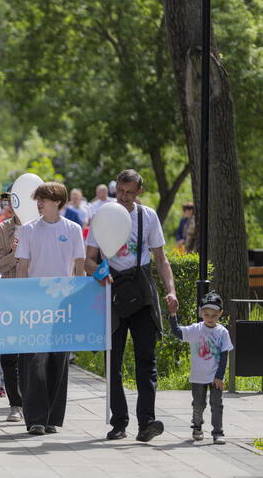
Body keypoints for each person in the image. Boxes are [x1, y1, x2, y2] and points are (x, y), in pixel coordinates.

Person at [85, 169, 179, 443]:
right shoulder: (103, 214)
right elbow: (88, 260)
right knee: (112, 361)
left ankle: (147, 422)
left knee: (146, 361)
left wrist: (170, 291)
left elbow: (161, 259)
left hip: (141, 290)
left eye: (129, 193)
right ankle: (119, 422)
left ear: (138, 192)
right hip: (112, 291)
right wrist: (100, 273)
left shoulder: (147, 216)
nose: (123, 197)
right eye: (120, 192)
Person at [16, 182, 85, 436]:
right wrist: (21, 302)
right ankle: (35, 418)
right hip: (35, 303)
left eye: (43, 198)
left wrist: (78, 300)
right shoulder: (29, 230)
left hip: (62, 304)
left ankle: (52, 417)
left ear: (58, 201)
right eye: (38, 199)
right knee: (35, 360)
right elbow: (22, 268)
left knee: (58, 359)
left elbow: (79, 268)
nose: (39, 203)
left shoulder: (74, 229)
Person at [169, 292, 233, 444]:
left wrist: (219, 376)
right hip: (198, 376)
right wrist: (172, 314)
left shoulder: (223, 332)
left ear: (220, 314)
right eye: (207, 314)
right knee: (199, 403)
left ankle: (218, 432)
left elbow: (224, 356)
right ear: (201, 313)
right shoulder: (195, 330)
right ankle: (197, 426)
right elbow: (177, 332)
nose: (210, 318)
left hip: (215, 377)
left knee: (217, 404)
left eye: (214, 315)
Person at [0, 192, 25, 423]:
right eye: (10, 201)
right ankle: (16, 403)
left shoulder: (42, 228)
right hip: (9, 299)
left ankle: (35, 400)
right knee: (9, 356)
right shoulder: (2, 230)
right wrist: (15, 254)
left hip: (36, 300)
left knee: (33, 356)